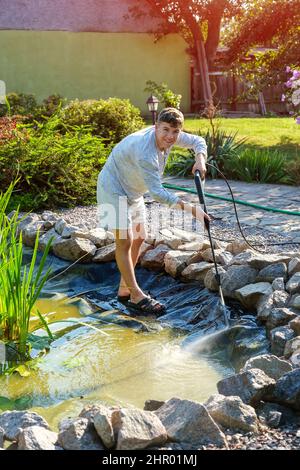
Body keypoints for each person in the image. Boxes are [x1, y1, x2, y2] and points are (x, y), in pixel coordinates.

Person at [97, 107, 209, 315]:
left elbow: (198, 142)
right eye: (165, 130)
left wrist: (200, 159)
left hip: (132, 191)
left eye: (175, 132)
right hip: (111, 188)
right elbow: (158, 194)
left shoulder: (171, 136)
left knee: (140, 237)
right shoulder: (145, 153)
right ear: (155, 127)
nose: (170, 136)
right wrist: (192, 209)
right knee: (125, 241)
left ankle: (124, 289)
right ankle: (136, 295)